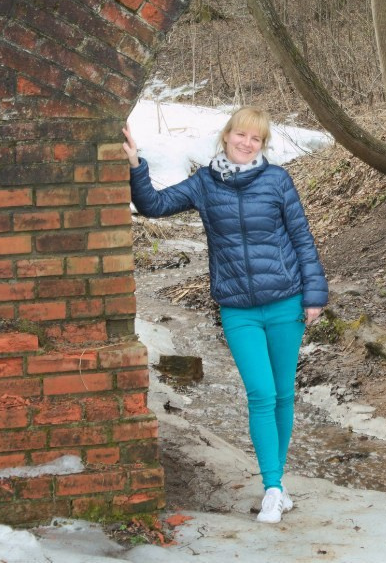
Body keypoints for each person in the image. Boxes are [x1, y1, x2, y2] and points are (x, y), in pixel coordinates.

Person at [122, 106, 328, 524]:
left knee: (284, 394)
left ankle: (278, 483)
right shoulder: (204, 183)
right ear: (226, 135)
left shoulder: (277, 180)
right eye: (241, 135)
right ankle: (272, 488)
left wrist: (315, 295)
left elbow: (302, 240)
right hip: (237, 307)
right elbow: (153, 205)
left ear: (262, 145)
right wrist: (135, 163)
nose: (247, 143)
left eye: (257, 139)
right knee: (261, 393)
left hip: (286, 301)